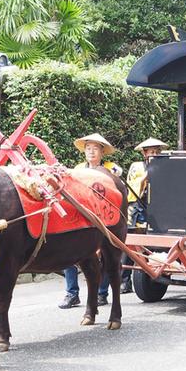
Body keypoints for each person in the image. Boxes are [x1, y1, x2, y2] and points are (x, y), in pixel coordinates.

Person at [58, 132, 122, 309]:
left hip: (103, 216)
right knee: (68, 253)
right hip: (81, 217)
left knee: (107, 254)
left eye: (95, 149)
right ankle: (72, 293)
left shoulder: (111, 169)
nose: (91, 152)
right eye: (88, 149)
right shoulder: (77, 169)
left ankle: (102, 293)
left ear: (102, 152)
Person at [121, 137, 168, 293]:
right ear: (144, 153)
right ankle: (124, 280)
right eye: (150, 152)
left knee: (152, 244)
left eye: (156, 151)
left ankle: (151, 275)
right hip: (137, 207)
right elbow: (134, 189)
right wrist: (145, 179)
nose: (153, 154)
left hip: (156, 209)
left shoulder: (163, 166)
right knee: (130, 244)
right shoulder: (137, 166)